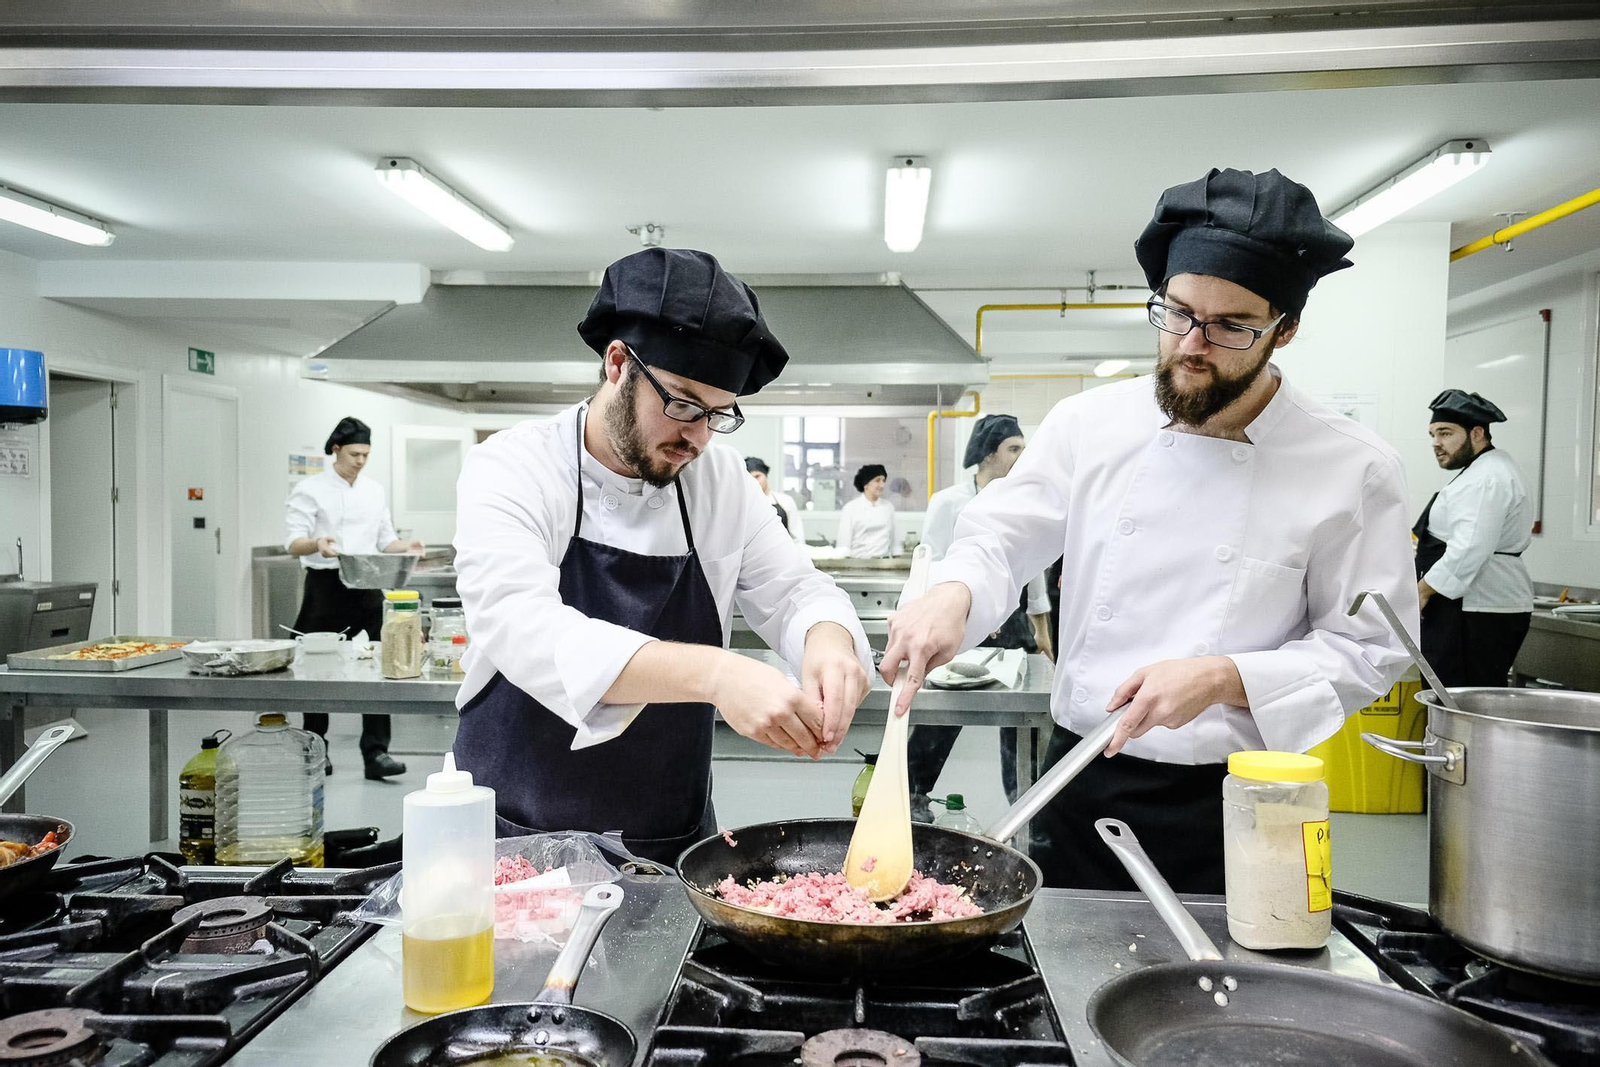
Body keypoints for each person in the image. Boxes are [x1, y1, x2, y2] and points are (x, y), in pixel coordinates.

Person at [880, 168, 1419, 893]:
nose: (1193, 343)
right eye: (1177, 312)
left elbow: (1372, 647)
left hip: (1238, 794)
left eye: (1231, 326)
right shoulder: (1090, 423)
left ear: (1284, 329)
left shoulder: (1353, 467)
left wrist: (1226, 677)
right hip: (1080, 778)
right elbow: (1001, 538)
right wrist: (955, 592)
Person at [450, 248, 873, 864]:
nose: (696, 436)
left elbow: (794, 590)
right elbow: (523, 626)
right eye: (681, 404)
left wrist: (827, 639)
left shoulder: (720, 482)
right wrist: (718, 675)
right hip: (515, 833)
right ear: (618, 363)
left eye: (718, 414)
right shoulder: (515, 466)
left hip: (671, 834)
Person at [907, 413, 1054, 810]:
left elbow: (1031, 569)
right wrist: (967, 614)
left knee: (1021, 724)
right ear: (989, 454)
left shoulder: (1022, 499)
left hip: (1013, 625)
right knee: (942, 717)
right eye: (1014, 448)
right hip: (961, 624)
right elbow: (933, 562)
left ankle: (1024, 808)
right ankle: (912, 798)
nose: (1022, 456)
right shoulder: (949, 501)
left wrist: (1041, 630)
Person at [284, 416, 419, 779]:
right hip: (325, 586)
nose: (360, 461)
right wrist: (317, 543)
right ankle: (316, 750)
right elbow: (293, 542)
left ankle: (376, 754)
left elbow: (385, 540)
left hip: (368, 584)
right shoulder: (310, 489)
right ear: (336, 450)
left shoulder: (373, 490)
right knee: (316, 669)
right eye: (354, 454)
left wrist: (407, 547)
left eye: (366, 455)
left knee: (384, 663)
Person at [1415, 389, 1534, 687]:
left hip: (1475, 609)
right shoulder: (1485, 470)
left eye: (1445, 433)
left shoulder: (1485, 478)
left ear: (1477, 433)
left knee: (1460, 699)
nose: (1436, 443)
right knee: (1461, 696)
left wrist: (1422, 591)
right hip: (1473, 608)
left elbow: (1469, 548)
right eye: (1433, 434)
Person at [836, 464, 896, 557]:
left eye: (883, 481)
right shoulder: (851, 508)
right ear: (866, 484)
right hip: (858, 561)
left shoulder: (888, 507)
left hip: (883, 561)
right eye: (877, 481)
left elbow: (894, 541)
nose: (882, 485)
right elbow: (843, 544)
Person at [746, 457, 806, 545]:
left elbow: (798, 539)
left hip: (785, 552)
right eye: (750, 479)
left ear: (766, 476)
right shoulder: (744, 506)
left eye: (757, 476)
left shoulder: (786, 501)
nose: (755, 481)